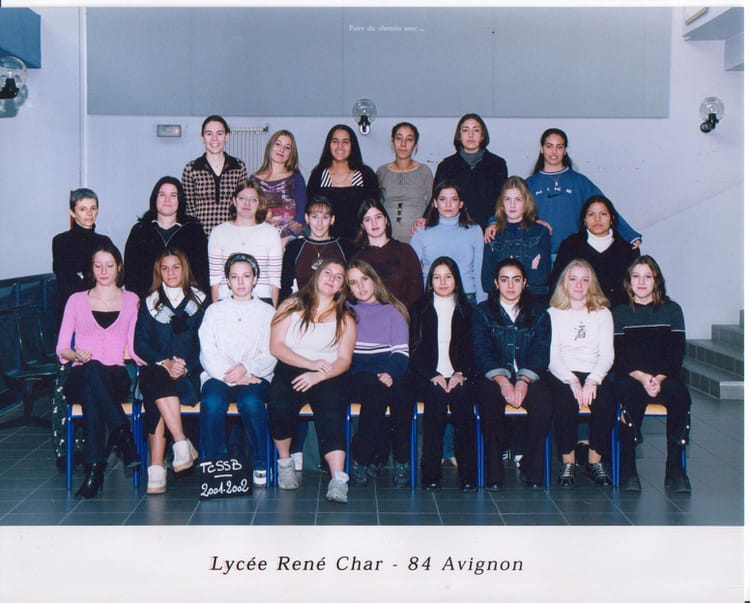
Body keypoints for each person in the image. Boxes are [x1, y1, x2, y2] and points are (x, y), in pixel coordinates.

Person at [56, 241, 141, 498]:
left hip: (115, 376)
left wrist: (156, 361)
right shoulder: (76, 300)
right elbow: (62, 349)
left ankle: (95, 471)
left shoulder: (132, 300)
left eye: (109, 265)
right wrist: (76, 354)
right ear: (91, 269)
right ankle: (123, 433)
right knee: (91, 370)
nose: (104, 271)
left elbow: (135, 348)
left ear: (119, 267)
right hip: (79, 372)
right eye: (98, 266)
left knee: (93, 391)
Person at [268, 259, 356, 503]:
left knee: (331, 412)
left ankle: (338, 479)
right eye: (327, 272)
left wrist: (320, 374)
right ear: (317, 275)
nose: (332, 278)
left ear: (342, 286)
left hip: (329, 373)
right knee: (279, 405)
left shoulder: (346, 317)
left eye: (338, 277)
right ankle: (285, 462)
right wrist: (310, 364)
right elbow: (276, 346)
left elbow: (344, 359)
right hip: (291, 367)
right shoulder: (290, 304)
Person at [613, 255, 692, 493]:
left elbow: (676, 353)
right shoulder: (619, 312)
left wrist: (658, 378)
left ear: (656, 280)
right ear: (629, 281)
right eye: (636, 276)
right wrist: (642, 377)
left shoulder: (672, 310)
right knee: (628, 395)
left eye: (648, 277)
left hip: (664, 377)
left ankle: (675, 469)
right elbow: (619, 356)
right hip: (632, 377)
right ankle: (628, 468)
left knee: (680, 396)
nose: (641, 282)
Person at [473, 258, 552, 489]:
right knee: (489, 402)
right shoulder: (482, 312)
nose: (510, 285)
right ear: (496, 283)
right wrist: (503, 381)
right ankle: (493, 472)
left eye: (516, 280)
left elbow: (541, 352)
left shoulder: (539, 312)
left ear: (525, 283)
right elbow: (482, 352)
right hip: (494, 376)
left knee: (544, 404)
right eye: (504, 280)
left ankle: (532, 469)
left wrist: (523, 380)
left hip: (530, 375)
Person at [198, 253, 277, 487]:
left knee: (250, 402)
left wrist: (247, 368)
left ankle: (261, 462)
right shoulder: (214, 311)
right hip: (219, 374)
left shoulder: (268, 312)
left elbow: (271, 351)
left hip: (256, 375)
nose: (241, 282)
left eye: (246, 276)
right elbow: (207, 349)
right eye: (234, 277)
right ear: (227, 280)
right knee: (212, 402)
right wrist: (231, 374)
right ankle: (218, 465)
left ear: (255, 279)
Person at [134, 248, 205, 495]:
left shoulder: (200, 301)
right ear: (159, 272)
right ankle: (181, 443)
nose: (170, 273)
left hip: (189, 374)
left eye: (176, 267)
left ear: (184, 269)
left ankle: (156, 469)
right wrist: (165, 362)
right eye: (164, 268)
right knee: (156, 379)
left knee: (157, 394)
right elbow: (140, 343)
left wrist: (184, 367)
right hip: (158, 369)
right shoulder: (150, 302)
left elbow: (206, 344)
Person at [410, 257, 477, 492]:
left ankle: (468, 475)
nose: (443, 282)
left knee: (463, 401)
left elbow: (473, 350)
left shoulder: (468, 311)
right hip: (427, 376)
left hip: (460, 375)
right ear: (430, 281)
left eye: (448, 276)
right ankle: (430, 473)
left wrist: (461, 373)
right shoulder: (418, 309)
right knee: (435, 400)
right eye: (437, 277)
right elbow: (413, 349)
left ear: (456, 280)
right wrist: (432, 374)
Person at [548, 259, 616, 488]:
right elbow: (552, 357)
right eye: (573, 279)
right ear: (564, 283)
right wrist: (572, 380)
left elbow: (607, 355)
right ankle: (568, 462)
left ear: (591, 284)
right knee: (564, 404)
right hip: (562, 372)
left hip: (594, 371)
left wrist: (593, 380)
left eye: (584, 280)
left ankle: (594, 462)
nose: (578, 285)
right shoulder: (553, 313)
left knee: (606, 403)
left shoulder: (603, 313)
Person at [346, 259, 411, 488]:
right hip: (359, 372)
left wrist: (390, 373)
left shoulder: (393, 310)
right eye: (353, 282)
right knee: (375, 390)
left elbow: (401, 353)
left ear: (374, 279)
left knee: (402, 393)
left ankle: (402, 461)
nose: (360, 286)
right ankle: (362, 458)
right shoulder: (346, 310)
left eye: (364, 279)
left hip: (390, 367)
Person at [526, 127, 641, 253]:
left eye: (559, 147)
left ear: (565, 150)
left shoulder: (579, 182)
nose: (554, 152)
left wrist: (629, 235)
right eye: (549, 146)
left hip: (573, 253)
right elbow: (517, 218)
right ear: (542, 149)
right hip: (539, 253)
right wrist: (534, 222)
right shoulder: (530, 184)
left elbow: (606, 209)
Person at [124, 176, 209, 298]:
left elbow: (202, 273)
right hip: (147, 301)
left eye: (173, 195)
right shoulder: (140, 231)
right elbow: (131, 275)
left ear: (180, 200)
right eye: (162, 195)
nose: (167, 200)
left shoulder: (194, 231)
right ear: (155, 198)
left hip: (186, 301)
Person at [550, 195, 639, 307]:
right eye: (591, 214)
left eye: (603, 214)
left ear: (612, 218)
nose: (597, 219)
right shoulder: (570, 245)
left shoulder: (628, 250)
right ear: (584, 220)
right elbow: (556, 284)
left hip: (618, 312)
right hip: (577, 310)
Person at [208, 179, 282, 305]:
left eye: (253, 199)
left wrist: (272, 311)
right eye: (242, 198)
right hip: (227, 301)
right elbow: (215, 279)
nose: (247, 203)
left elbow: (274, 280)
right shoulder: (218, 233)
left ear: (259, 204)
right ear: (234, 201)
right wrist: (216, 310)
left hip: (262, 300)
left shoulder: (271, 233)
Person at [410, 181, 486, 305]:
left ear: (461, 204)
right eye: (443, 199)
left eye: (454, 199)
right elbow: (412, 271)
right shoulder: (421, 231)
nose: (448, 204)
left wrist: (482, 303)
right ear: (435, 203)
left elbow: (479, 270)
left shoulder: (474, 230)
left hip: (467, 298)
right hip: (431, 299)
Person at [481, 176, 551, 302]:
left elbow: (542, 278)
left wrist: (503, 278)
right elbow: (487, 283)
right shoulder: (492, 234)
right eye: (507, 199)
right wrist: (530, 269)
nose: (512, 205)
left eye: (518, 199)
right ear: (502, 203)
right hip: (500, 303)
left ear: (526, 202)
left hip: (533, 302)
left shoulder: (540, 232)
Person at [432, 113, 507, 230]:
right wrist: (425, 219)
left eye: (476, 130)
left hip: (488, 229)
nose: (470, 135)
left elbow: (502, 200)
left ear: (482, 136)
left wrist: (494, 222)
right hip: (454, 229)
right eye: (465, 130)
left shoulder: (497, 164)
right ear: (459, 136)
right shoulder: (446, 165)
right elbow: (436, 199)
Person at [306, 124, 379, 241]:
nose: (340, 146)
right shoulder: (318, 175)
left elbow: (374, 210)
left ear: (352, 146)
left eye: (345, 142)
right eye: (335, 141)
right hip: (326, 243)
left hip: (360, 242)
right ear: (329, 145)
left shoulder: (366, 175)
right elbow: (310, 210)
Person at [52, 188, 114, 320]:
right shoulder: (61, 241)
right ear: (72, 212)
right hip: (74, 310)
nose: (89, 213)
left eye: (93, 208)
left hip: (104, 307)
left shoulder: (104, 241)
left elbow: (118, 274)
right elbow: (67, 282)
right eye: (83, 209)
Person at [280, 196, 354, 304]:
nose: (320, 223)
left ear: (332, 219)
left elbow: (351, 284)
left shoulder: (345, 246)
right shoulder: (295, 247)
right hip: (303, 307)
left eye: (325, 217)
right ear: (307, 218)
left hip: (336, 308)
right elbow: (285, 286)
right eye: (314, 217)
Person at [352, 199, 423, 309]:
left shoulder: (405, 251)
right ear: (362, 226)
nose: (374, 223)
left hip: (405, 314)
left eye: (378, 217)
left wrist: (399, 312)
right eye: (368, 219)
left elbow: (417, 290)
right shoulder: (358, 259)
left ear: (386, 220)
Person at [182, 115, 247, 235]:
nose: (214, 138)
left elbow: (242, 205)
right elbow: (190, 209)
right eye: (209, 134)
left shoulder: (239, 167)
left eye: (219, 133)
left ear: (227, 136)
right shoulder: (191, 168)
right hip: (201, 236)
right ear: (202, 137)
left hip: (232, 234)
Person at [376, 122, 433, 242]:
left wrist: (426, 220)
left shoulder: (424, 172)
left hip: (417, 238)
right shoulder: (382, 172)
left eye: (409, 139)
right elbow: (376, 206)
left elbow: (432, 205)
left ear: (415, 145)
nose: (403, 144)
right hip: (387, 238)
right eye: (399, 138)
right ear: (392, 142)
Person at [251, 129, 307, 245]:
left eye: (287, 147)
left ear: (291, 153)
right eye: (278, 144)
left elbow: (302, 215)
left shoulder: (296, 178)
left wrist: (286, 239)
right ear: (270, 146)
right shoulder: (253, 180)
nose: (282, 150)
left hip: (290, 239)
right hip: (259, 238)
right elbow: (249, 214)